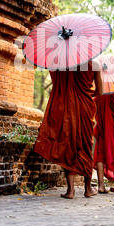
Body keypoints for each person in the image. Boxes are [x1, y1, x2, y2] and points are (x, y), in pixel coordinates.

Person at [34, 60, 103, 199]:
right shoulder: (95, 65)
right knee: (85, 146)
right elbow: (100, 92)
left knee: (68, 145)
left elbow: (56, 82)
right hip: (85, 108)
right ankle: (88, 189)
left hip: (67, 108)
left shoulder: (65, 64)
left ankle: (70, 191)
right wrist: (85, 93)